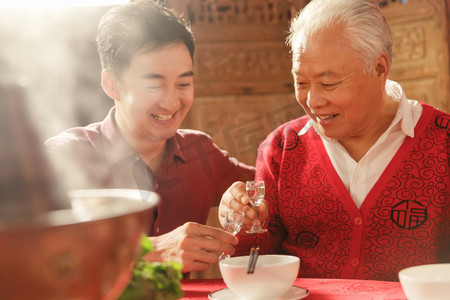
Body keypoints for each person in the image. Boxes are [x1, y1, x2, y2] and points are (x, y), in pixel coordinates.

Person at [219, 0, 450, 281]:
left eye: (329, 83)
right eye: (301, 83)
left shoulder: (442, 141)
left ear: (379, 68)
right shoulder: (281, 149)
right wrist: (240, 221)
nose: (312, 101)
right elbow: (253, 269)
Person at [45, 0, 255, 274]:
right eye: (153, 85)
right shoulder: (64, 158)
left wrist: (242, 205)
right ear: (112, 84)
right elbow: (34, 254)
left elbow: (269, 187)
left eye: (183, 83)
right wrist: (153, 251)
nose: (170, 102)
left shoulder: (200, 151)